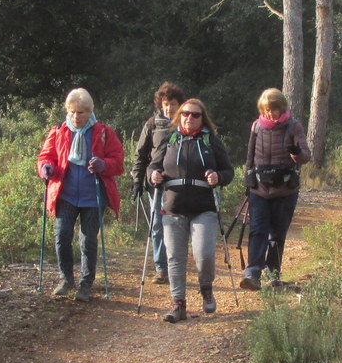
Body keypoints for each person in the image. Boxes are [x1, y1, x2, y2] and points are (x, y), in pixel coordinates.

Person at [148, 98, 234, 323]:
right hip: (173, 207)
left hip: (203, 207)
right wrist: (153, 175)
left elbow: (228, 171)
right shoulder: (169, 138)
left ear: (202, 118)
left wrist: (219, 177)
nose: (190, 118)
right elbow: (153, 166)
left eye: (195, 115)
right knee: (175, 258)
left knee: (204, 254)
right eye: (186, 113)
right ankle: (178, 305)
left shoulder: (210, 141)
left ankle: (206, 287)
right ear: (180, 115)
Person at [37, 88, 124, 302]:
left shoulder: (103, 132)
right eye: (73, 112)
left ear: (89, 111)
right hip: (65, 194)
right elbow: (46, 156)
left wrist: (104, 165)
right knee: (62, 235)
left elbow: (118, 162)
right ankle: (66, 279)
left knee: (88, 241)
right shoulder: (58, 130)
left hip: (93, 196)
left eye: (82, 112)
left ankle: (86, 284)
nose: (77, 116)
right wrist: (46, 168)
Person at [239, 88, 311, 291]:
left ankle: (273, 273)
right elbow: (250, 157)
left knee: (277, 233)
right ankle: (252, 273)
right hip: (259, 189)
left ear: (282, 108)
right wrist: (248, 179)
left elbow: (306, 156)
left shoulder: (293, 126)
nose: (270, 114)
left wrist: (296, 154)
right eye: (266, 110)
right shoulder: (257, 127)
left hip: (285, 190)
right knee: (258, 230)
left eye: (274, 110)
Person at [130, 82, 185, 284]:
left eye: (173, 103)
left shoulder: (187, 123)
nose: (169, 108)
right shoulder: (152, 124)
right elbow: (141, 154)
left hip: (180, 185)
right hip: (156, 184)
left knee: (178, 225)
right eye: (165, 103)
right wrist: (137, 180)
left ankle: (175, 265)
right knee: (157, 226)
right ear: (160, 104)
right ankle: (161, 268)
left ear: (180, 104)